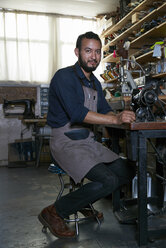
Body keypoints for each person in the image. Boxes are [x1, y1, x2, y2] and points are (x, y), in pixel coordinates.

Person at [38, 31, 135, 239]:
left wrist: (121, 116)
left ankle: (81, 201)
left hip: (88, 142)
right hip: (65, 143)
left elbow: (105, 109)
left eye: (98, 52)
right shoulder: (64, 77)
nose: (94, 56)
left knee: (127, 170)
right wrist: (115, 120)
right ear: (77, 52)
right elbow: (77, 113)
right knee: (108, 181)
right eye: (88, 51)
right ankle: (54, 212)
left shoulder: (95, 83)